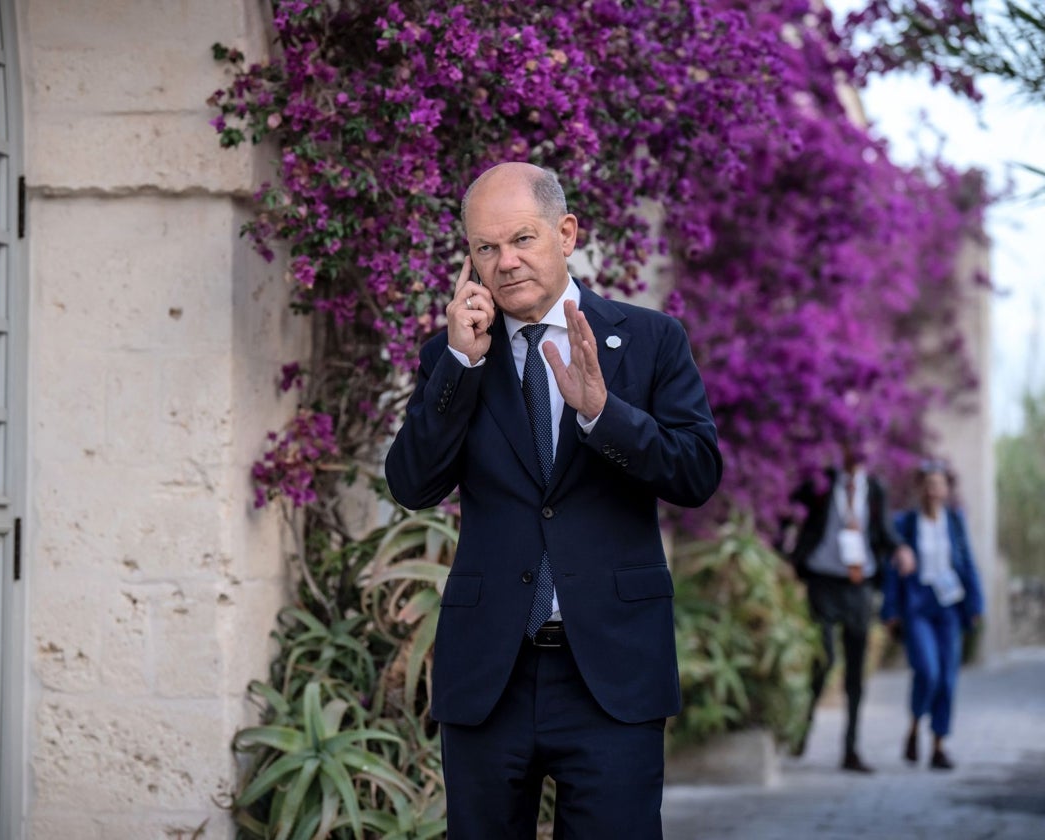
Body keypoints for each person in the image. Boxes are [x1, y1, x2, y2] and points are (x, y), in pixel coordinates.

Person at [384, 162, 722, 838]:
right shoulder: (451, 355)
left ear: (565, 233)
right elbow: (412, 484)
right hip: (490, 677)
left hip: (612, 676)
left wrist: (603, 413)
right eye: (485, 248)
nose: (504, 263)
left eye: (522, 239)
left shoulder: (651, 341)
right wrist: (461, 365)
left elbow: (696, 474)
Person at [785, 443, 913, 772]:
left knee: (856, 671)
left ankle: (851, 750)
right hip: (823, 581)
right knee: (824, 658)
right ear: (840, 448)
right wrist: (785, 552)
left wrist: (900, 550)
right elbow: (787, 512)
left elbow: (884, 532)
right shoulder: (822, 482)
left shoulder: (875, 489)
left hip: (859, 586)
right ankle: (802, 729)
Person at [882, 459, 984, 770]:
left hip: (949, 606)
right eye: (928, 485)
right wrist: (890, 610)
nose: (933, 490)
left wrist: (976, 605)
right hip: (918, 605)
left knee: (948, 679)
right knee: (928, 671)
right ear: (920, 489)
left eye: (938, 485)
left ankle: (938, 745)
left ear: (946, 489)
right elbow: (893, 570)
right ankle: (914, 725)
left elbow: (967, 564)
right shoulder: (906, 524)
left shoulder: (954, 522)